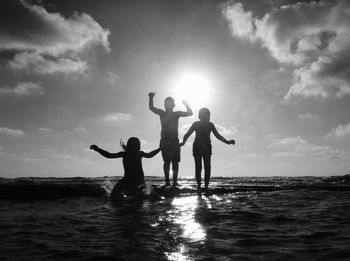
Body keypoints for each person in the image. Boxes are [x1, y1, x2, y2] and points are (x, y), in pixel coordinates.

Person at [180, 108, 235, 195]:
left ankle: (205, 188)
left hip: (206, 147)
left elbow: (218, 136)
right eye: (207, 115)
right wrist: (183, 142)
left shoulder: (210, 125)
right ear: (201, 116)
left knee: (207, 167)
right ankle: (199, 187)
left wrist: (227, 142)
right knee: (199, 167)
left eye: (209, 115)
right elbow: (187, 134)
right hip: (197, 147)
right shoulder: (196, 124)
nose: (208, 117)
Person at [90, 137, 160, 200]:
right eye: (135, 145)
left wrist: (160, 148)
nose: (136, 147)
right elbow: (109, 155)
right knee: (113, 196)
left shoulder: (136, 153)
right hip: (129, 180)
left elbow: (150, 155)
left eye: (137, 145)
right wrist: (98, 149)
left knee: (139, 198)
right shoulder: (128, 154)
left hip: (137, 180)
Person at [148, 92, 193, 187]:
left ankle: (175, 182)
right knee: (167, 161)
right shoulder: (162, 113)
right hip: (165, 141)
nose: (167, 105)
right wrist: (151, 98)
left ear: (174, 105)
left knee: (175, 162)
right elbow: (151, 108)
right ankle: (167, 182)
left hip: (174, 141)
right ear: (164, 105)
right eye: (165, 104)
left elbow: (190, 113)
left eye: (169, 103)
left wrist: (186, 104)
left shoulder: (176, 114)